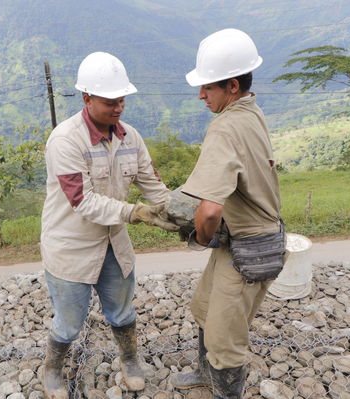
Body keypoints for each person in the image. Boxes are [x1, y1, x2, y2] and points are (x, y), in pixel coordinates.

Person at [40, 51, 178, 399]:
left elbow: (153, 186)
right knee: (69, 321)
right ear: (87, 98)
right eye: (109, 101)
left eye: (122, 100)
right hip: (71, 246)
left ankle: (129, 360)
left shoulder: (130, 138)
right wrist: (135, 213)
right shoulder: (66, 140)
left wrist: (179, 212)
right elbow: (82, 200)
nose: (118, 107)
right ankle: (53, 368)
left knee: (122, 310)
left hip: (114, 244)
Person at [170, 29, 283, 398]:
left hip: (249, 246)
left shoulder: (225, 126)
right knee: (204, 307)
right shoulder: (251, 110)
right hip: (239, 240)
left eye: (208, 87)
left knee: (225, 337)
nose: (201, 95)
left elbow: (210, 209)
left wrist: (202, 237)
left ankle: (225, 390)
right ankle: (205, 374)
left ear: (232, 85)